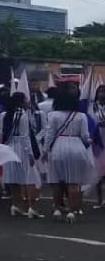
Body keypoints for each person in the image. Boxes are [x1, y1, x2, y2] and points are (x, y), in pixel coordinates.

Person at [44, 84, 94, 223]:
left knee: (56, 181)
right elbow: (85, 136)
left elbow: (49, 134)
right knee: (73, 182)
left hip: (58, 146)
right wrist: (90, 141)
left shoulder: (52, 115)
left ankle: (57, 209)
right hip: (77, 147)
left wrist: (45, 150)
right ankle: (72, 211)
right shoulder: (81, 116)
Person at [0, 92, 43, 219]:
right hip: (20, 148)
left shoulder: (4, 115)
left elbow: (1, 133)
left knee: (13, 177)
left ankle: (15, 204)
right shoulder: (22, 115)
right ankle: (31, 207)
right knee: (30, 177)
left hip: (8, 147)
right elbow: (25, 136)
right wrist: (29, 153)